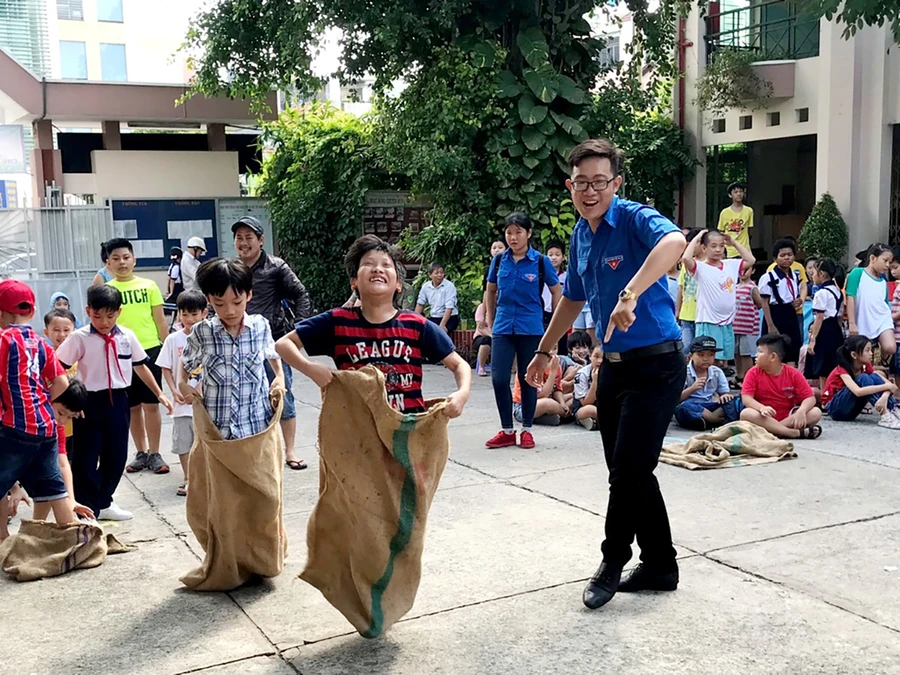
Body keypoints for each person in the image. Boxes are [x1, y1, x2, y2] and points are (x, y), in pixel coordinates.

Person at [529, 138, 687, 610]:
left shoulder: (636, 218)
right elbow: (572, 300)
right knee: (633, 471)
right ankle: (660, 564)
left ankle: (612, 561)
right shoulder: (579, 235)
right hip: (614, 367)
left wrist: (632, 292)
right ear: (570, 185)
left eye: (600, 182)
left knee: (627, 471)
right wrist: (544, 349)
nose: (590, 191)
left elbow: (675, 242)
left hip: (658, 363)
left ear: (616, 183)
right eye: (581, 183)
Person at [275, 235, 471, 419]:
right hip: (357, 435)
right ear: (354, 282)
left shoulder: (416, 324)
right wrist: (312, 369)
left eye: (386, 265)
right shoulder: (338, 321)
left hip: (407, 433)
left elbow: (458, 364)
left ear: (398, 284)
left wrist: (462, 394)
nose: (378, 269)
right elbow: (283, 344)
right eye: (368, 264)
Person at [58, 285, 172, 520]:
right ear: (88, 311)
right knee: (86, 457)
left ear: (119, 312)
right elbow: (58, 368)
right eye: (97, 316)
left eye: (110, 316)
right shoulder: (79, 338)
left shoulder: (127, 336)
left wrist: (160, 394)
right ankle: (88, 507)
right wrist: (70, 402)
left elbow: (140, 366)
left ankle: (104, 501)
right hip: (88, 403)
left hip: (119, 400)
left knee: (117, 456)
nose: (104, 321)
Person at [234, 215, 312, 471]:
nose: (243, 243)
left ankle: (289, 451)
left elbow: (301, 295)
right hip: (238, 343)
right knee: (246, 399)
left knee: (282, 396)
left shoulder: (276, 267)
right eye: (239, 238)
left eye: (249, 237)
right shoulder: (232, 269)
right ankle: (255, 452)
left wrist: (296, 333)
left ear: (260, 240)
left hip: (272, 343)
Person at [179, 259, 285, 445]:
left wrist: (279, 376)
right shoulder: (203, 332)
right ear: (209, 299)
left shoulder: (260, 326)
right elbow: (186, 361)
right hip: (217, 430)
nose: (230, 311)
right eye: (219, 304)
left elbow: (272, 354)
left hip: (256, 426)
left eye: (237, 302)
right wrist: (182, 383)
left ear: (249, 295)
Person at [0, 280, 76, 537]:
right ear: (31, 313)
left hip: (13, 426)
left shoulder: (3, 341)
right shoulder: (41, 343)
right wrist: (43, 401)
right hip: (46, 426)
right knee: (53, 485)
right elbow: (62, 381)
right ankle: (73, 536)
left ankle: (2, 541)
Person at [484, 212, 561, 450]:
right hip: (503, 328)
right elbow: (491, 291)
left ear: (528, 234)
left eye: (518, 232)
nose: (513, 237)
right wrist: (491, 319)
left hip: (531, 328)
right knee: (498, 379)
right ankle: (507, 429)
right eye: (509, 232)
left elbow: (557, 291)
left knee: (529, 379)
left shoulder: (540, 261)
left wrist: (554, 330)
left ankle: (527, 429)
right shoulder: (499, 261)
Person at [103, 238, 171, 475]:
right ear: (108, 263)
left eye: (126, 257)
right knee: (131, 407)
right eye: (116, 258)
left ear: (134, 259)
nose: (122, 262)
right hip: (119, 354)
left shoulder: (149, 285)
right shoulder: (107, 290)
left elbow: (160, 319)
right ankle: (140, 453)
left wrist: (167, 347)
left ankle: (155, 453)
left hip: (150, 349)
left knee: (152, 404)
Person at [156, 290, 207, 497]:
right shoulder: (173, 340)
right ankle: (188, 478)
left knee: (204, 442)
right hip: (181, 404)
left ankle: (206, 478)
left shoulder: (209, 337)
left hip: (204, 403)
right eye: (185, 314)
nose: (190, 319)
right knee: (184, 442)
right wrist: (174, 390)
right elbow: (165, 367)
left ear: (204, 313)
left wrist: (200, 390)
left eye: (194, 314)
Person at [682, 230, 756, 367]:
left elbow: (751, 260)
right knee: (707, 360)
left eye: (721, 246)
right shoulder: (701, 267)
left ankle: (716, 385)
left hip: (727, 322)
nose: (718, 250)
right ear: (704, 248)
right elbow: (686, 259)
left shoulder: (731, 265)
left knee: (722, 360)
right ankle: (703, 386)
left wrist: (733, 242)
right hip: (708, 321)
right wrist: (698, 238)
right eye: (713, 246)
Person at [31, 380, 95, 522]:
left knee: (50, 480)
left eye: (70, 417)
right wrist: (15, 488)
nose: (63, 421)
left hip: (35, 464)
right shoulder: (29, 413)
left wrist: (72, 500)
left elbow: (63, 463)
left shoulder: (57, 426)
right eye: (61, 413)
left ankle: (35, 527)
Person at [739, 334, 822, 439]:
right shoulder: (753, 372)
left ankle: (775, 431)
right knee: (746, 413)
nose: (756, 355)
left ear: (773, 357)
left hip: (788, 417)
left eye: (760, 352)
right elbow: (746, 399)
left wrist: (802, 411)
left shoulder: (793, 373)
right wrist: (761, 408)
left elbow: (810, 398)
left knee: (816, 412)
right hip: (763, 417)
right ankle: (792, 433)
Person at [822, 335, 900, 428]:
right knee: (863, 378)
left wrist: (884, 397)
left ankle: (894, 409)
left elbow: (891, 386)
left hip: (852, 409)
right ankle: (885, 414)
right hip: (836, 410)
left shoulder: (865, 366)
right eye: (867, 350)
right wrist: (886, 388)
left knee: (874, 376)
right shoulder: (842, 369)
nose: (871, 353)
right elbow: (858, 392)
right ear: (854, 355)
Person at [673, 336, 742, 431]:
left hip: (710, 405)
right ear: (690, 356)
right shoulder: (684, 372)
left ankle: (710, 421)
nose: (706, 359)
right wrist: (692, 388)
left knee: (737, 401)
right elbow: (675, 399)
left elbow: (724, 394)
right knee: (684, 407)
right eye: (701, 355)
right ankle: (715, 420)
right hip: (691, 405)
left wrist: (725, 396)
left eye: (711, 355)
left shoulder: (717, 372)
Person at [846, 243, 896, 367]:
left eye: (889, 262)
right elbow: (850, 297)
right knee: (864, 356)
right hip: (863, 319)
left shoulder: (883, 281)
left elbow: (884, 303)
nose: (887, 265)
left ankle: (882, 362)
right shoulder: (857, 273)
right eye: (885, 261)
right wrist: (852, 323)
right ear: (873, 258)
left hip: (882, 319)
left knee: (890, 347)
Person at [758, 238, 805, 364]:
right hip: (774, 313)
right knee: (773, 348)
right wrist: (770, 324)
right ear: (775, 258)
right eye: (782, 255)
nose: (786, 258)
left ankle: (790, 374)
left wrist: (799, 300)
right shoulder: (768, 277)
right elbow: (764, 302)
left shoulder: (794, 275)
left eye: (789, 255)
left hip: (789, 312)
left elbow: (795, 293)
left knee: (792, 347)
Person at [43, 308, 78, 455]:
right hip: (54, 422)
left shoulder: (80, 357)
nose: (62, 335)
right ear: (46, 332)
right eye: (56, 330)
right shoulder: (44, 358)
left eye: (66, 330)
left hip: (77, 422)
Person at [806, 259, 844, 391]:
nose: (812, 274)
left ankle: (825, 396)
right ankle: (831, 395)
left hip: (825, 330)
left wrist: (813, 339)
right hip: (836, 329)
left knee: (823, 366)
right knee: (833, 364)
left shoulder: (821, 293)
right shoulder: (837, 291)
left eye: (814, 272)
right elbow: (839, 316)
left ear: (821, 273)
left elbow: (819, 317)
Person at [514, 354, 567, 426]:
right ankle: (566, 415)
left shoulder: (556, 366)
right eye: (549, 349)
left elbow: (557, 389)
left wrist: (562, 403)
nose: (551, 352)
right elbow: (543, 395)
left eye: (555, 348)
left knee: (572, 397)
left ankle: (543, 418)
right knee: (547, 403)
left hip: (550, 399)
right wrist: (552, 374)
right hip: (525, 406)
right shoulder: (531, 368)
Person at [733, 264, 763, 382]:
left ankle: (748, 378)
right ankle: (739, 376)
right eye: (741, 270)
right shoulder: (734, 287)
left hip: (748, 327)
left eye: (747, 270)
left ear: (753, 270)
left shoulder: (752, 287)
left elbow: (759, 304)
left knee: (746, 353)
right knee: (736, 353)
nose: (743, 272)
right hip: (735, 326)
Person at [676, 229, 704, 355]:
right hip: (686, 314)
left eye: (696, 242)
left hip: (702, 315)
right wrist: (678, 310)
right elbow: (681, 288)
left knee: (700, 348)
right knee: (686, 346)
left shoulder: (708, 265)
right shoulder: (686, 265)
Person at [415, 263, 460, 334]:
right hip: (434, 317)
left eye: (441, 272)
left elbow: (449, 308)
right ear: (430, 275)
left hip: (449, 318)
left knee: (439, 333)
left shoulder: (449, 286)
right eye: (436, 273)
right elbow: (420, 304)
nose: (439, 275)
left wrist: (442, 325)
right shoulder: (426, 286)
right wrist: (414, 320)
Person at [544, 241, 569, 356]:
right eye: (550, 255)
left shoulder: (566, 276)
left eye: (557, 255)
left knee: (561, 340)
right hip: (544, 312)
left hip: (561, 312)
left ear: (563, 257)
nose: (553, 258)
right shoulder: (541, 275)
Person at [717, 182, 753, 258]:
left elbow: (749, 230)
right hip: (729, 251)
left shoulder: (749, 211)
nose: (739, 194)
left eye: (741, 191)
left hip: (744, 250)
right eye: (735, 192)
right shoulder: (724, 212)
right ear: (730, 195)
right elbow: (721, 232)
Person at [573, 342, 604, 431]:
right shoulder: (582, 374)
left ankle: (593, 422)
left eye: (603, 357)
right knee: (591, 410)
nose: (599, 361)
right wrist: (595, 382)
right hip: (584, 408)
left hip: (605, 406)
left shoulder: (612, 372)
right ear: (590, 356)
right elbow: (585, 402)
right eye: (596, 356)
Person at [473, 302, 492, 377]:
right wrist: (492, 336)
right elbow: (480, 328)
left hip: (498, 337)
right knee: (486, 340)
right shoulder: (482, 308)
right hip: (481, 336)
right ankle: (481, 367)